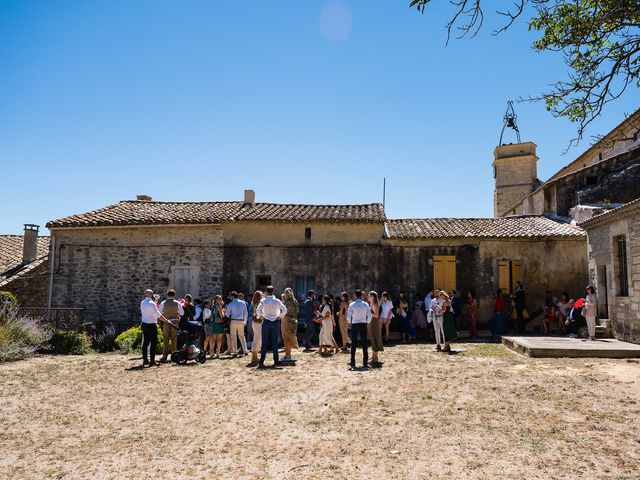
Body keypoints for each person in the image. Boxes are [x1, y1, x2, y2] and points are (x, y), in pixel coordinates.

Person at [256, 285, 287, 369]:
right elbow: (285, 310)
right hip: (274, 322)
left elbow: (258, 311)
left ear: (266, 291)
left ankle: (261, 361)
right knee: (274, 343)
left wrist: (262, 315)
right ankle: (276, 361)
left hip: (266, 322)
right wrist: (280, 316)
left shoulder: (263, 301)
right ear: (273, 291)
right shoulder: (277, 301)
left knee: (264, 343)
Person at [140, 289, 166, 367]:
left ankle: (145, 360)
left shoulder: (142, 302)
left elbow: (151, 309)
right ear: (151, 294)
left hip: (144, 324)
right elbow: (158, 314)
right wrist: (166, 320)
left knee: (145, 343)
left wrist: (156, 301)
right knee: (153, 343)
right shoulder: (151, 303)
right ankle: (152, 361)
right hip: (151, 325)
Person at [347, 289, 372, 369]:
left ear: (355, 295)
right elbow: (370, 315)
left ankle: (352, 362)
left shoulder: (352, 305)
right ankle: (365, 362)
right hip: (363, 324)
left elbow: (349, 316)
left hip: (354, 324)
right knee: (364, 344)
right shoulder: (365, 304)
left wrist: (349, 323)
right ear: (361, 296)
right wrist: (367, 322)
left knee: (353, 344)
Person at [159, 289, 184, 363]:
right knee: (174, 339)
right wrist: (177, 313)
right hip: (174, 322)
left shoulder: (163, 303)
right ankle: (175, 356)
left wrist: (165, 314)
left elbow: (159, 312)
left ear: (167, 295)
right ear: (174, 295)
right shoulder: (177, 303)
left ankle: (164, 356)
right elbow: (182, 313)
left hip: (166, 322)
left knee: (165, 339)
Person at [226, 291, 248, 356]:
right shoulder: (243, 303)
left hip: (233, 321)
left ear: (232, 296)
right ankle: (245, 350)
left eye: (230, 296)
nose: (230, 297)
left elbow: (227, 315)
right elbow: (246, 312)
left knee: (234, 336)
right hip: (241, 321)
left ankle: (235, 351)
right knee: (242, 336)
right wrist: (245, 321)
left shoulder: (230, 304)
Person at [281, 288, 300, 361]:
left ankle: (287, 355)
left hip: (286, 320)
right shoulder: (295, 301)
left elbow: (282, 312)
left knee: (286, 338)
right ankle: (288, 354)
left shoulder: (285, 302)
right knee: (291, 336)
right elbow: (297, 311)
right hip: (294, 321)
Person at [368, 291, 384, 366]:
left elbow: (376, 315)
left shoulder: (375, 304)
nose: (368, 297)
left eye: (369, 295)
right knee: (372, 338)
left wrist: (368, 312)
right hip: (371, 322)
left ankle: (376, 357)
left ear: (372, 297)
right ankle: (373, 356)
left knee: (375, 338)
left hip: (374, 322)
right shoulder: (371, 304)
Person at [249, 291, 264, 366]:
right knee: (257, 339)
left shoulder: (255, 303)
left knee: (258, 339)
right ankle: (253, 357)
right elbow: (260, 314)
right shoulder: (258, 304)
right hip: (258, 323)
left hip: (256, 323)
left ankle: (255, 356)